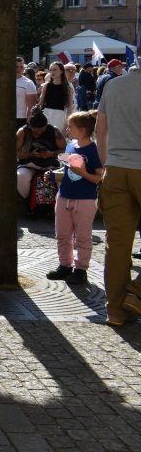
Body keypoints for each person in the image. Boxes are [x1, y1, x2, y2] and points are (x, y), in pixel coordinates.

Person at [96, 62, 141, 326]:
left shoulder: (112, 85)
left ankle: (115, 311)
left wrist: (106, 165)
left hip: (115, 167)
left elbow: (101, 131)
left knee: (118, 245)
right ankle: (136, 292)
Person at [46, 111, 103, 285]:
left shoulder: (94, 150)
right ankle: (65, 266)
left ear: (83, 130)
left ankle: (81, 269)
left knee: (83, 236)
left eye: (71, 126)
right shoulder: (70, 146)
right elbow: (67, 171)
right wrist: (53, 175)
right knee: (62, 234)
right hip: (64, 196)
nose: (67, 129)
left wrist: (83, 173)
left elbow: (99, 177)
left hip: (85, 199)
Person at [16, 110, 64, 199]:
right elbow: (15, 153)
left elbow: (64, 150)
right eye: (35, 131)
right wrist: (31, 155)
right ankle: (27, 202)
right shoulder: (23, 131)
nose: (39, 133)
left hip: (51, 165)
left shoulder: (54, 131)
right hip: (28, 165)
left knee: (62, 179)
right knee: (21, 177)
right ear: (30, 126)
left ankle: (59, 203)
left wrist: (51, 154)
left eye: (42, 131)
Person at [38, 61, 74, 132]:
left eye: (55, 69)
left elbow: (69, 108)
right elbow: (40, 104)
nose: (52, 72)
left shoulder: (67, 88)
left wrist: (67, 125)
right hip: (46, 114)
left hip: (60, 116)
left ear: (61, 71)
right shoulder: (46, 85)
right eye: (50, 70)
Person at [16, 57, 38, 129]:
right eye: (16, 66)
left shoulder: (28, 83)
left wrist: (28, 121)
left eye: (21, 67)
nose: (19, 69)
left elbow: (31, 106)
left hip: (21, 118)